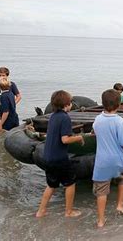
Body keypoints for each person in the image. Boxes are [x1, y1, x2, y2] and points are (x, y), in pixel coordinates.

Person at [92, 89, 123, 228]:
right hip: (118, 161)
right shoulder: (119, 121)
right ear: (119, 105)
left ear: (102, 104)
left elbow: (94, 131)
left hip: (102, 162)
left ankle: (100, 220)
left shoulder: (98, 119)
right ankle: (120, 205)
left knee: (101, 191)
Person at [36, 90, 84, 218]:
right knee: (70, 183)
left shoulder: (53, 116)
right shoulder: (65, 117)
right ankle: (68, 211)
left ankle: (41, 211)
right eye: (70, 102)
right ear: (67, 104)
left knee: (51, 185)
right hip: (59, 158)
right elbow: (65, 139)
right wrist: (78, 138)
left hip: (48, 156)